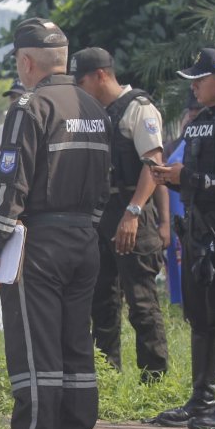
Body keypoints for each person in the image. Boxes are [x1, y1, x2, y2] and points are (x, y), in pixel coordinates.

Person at [0, 19, 111, 429]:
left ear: (26, 61)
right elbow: (103, 187)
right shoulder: (94, 107)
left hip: (40, 244)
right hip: (85, 241)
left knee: (35, 355)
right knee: (75, 352)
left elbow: (12, 187)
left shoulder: (29, 107)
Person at [149, 49, 215, 429]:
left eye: (200, 79)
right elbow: (189, 172)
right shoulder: (200, 122)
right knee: (200, 317)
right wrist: (169, 176)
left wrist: (187, 179)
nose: (193, 86)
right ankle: (201, 402)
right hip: (195, 232)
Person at [71, 47, 170, 380]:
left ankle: (154, 380)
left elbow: (154, 165)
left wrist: (133, 212)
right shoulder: (98, 112)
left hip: (133, 215)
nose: (79, 88)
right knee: (102, 302)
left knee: (141, 303)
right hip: (102, 218)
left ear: (100, 75)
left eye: (81, 80)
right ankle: (106, 377)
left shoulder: (139, 110)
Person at [160, 91, 205, 305]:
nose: (193, 117)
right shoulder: (174, 145)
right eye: (191, 113)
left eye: (198, 113)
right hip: (177, 211)